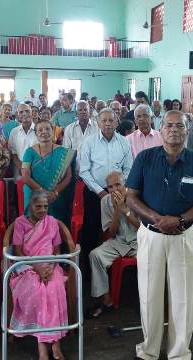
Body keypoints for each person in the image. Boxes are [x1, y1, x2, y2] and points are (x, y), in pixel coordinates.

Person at [126, 110, 193, 360]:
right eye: (169, 125)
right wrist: (157, 219)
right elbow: (131, 197)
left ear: (187, 131)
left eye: (180, 126)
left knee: (182, 298)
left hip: (184, 237)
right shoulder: (145, 158)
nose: (174, 129)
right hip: (151, 235)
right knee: (149, 295)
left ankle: (179, 353)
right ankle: (149, 350)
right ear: (161, 129)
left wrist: (180, 220)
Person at [9, 191, 69, 360]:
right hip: (27, 266)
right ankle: (43, 348)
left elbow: (57, 250)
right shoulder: (20, 223)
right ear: (30, 206)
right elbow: (19, 252)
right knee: (38, 290)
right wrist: (36, 267)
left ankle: (56, 346)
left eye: (45, 206)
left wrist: (50, 266)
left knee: (54, 286)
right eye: (38, 206)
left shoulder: (51, 222)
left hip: (50, 265)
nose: (42, 210)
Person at [79, 108, 133, 275]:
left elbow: (129, 168)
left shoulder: (124, 142)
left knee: (118, 227)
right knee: (91, 228)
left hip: (120, 191)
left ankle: (111, 268)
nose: (108, 124)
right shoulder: (89, 142)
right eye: (104, 121)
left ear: (117, 122)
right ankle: (88, 272)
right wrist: (101, 192)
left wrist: (120, 188)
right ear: (98, 123)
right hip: (96, 192)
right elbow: (84, 171)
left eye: (111, 120)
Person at [88, 171, 139, 318]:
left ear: (125, 184)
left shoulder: (136, 197)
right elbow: (110, 234)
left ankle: (147, 300)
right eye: (110, 187)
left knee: (151, 259)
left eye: (118, 184)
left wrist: (125, 210)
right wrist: (117, 210)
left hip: (138, 241)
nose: (115, 189)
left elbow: (143, 228)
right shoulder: (105, 202)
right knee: (95, 255)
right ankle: (106, 300)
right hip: (118, 241)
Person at [22, 119, 74, 227]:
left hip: (55, 196)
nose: (44, 132)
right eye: (40, 130)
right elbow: (25, 176)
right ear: (36, 134)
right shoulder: (29, 152)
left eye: (47, 129)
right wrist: (43, 192)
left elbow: (68, 176)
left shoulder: (63, 151)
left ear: (53, 131)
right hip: (34, 195)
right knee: (33, 226)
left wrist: (55, 192)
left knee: (56, 227)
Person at [8, 104, 38, 176]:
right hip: (19, 169)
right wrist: (20, 166)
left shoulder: (39, 130)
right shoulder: (14, 132)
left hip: (37, 167)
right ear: (18, 116)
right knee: (19, 186)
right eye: (21, 112)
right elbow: (12, 152)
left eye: (27, 111)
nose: (24, 114)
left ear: (32, 113)